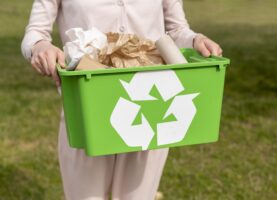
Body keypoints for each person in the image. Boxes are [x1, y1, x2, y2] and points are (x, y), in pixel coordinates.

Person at [21, 0, 222, 200]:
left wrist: (195, 39)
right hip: (88, 110)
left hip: (152, 108)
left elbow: (177, 29)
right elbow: (35, 33)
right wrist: (39, 46)